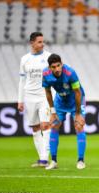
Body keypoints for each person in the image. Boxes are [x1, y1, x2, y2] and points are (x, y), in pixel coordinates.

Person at [42, 54, 87, 170]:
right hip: (60, 101)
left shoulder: (70, 73)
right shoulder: (45, 74)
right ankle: (54, 161)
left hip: (75, 100)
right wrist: (52, 112)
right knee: (54, 125)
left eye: (58, 66)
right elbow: (47, 92)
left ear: (62, 64)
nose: (57, 69)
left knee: (79, 126)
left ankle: (81, 160)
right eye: (54, 67)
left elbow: (78, 92)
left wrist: (77, 113)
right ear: (49, 67)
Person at [18, 32, 51, 168]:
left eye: (43, 41)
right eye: (39, 42)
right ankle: (41, 158)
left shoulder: (48, 57)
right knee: (35, 127)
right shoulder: (25, 59)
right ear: (32, 43)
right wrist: (20, 100)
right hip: (29, 96)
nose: (42, 44)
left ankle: (44, 159)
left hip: (44, 96)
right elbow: (22, 80)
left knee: (45, 125)